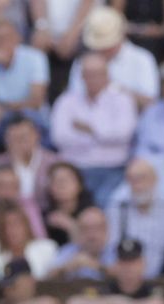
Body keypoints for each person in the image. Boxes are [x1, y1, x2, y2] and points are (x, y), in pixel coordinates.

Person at [0, 17, 50, 184]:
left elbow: (36, 101)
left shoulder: (34, 57)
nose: (1, 43)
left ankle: (40, 176)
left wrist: (3, 109)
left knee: (26, 119)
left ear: (17, 38)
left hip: (30, 115)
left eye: (6, 37)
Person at [49, 51, 136, 204]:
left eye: (98, 73)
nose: (93, 78)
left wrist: (90, 129)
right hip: (75, 170)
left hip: (113, 170)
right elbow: (60, 137)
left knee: (108, 206)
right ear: (81, 76)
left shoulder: (122, 99)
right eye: (88, 73)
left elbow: (124, 134)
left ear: (107, 75)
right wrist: (104, 136)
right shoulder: (66, 101)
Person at [69, 6, 158, 108]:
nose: (103, 48)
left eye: (107, 45)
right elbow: (74, 99)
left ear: (121, 36)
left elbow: (150, 103)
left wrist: (113, 88)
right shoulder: (83, 62)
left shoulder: (142, 59)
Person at [105, 156, 164, 275]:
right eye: (132, 180)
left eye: (142, 178)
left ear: (155, 179)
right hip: (127, 275)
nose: (138, 185)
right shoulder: (118, 206)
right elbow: (111, 246)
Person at [0, 202, 58, 280]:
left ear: (27, 227)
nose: (11, 231)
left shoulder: (46, 248)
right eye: (6, 226)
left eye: (16, 225)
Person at [66, 237, 164, 304]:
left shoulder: (151, 290)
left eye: (133, 262)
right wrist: (113, 301)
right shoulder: (107, 288)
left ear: (143, 264)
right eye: (124, 262)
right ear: (116, 265)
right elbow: (74, 303)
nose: (128, 267)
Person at [48, 203, 113, 280]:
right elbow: (48, 276)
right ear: (78, 232)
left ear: (106, 231)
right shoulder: (68, 251)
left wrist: (97, 266)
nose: (91, 235)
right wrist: (66, 268)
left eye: (96, 229)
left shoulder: (114, 251)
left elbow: (123, 274)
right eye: (86, 229)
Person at [39, 161, 93, 246]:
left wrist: (71, 226)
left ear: (79, 185)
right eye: (56, 180)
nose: (61, 185)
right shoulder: (43, 217)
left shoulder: (92, 213)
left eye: (66, 180)